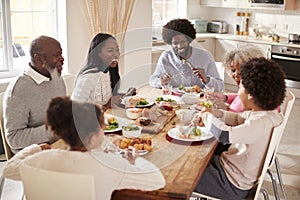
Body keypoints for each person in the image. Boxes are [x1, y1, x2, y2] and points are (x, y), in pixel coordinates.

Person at [3, 96, 166, 200]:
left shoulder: (41, 159)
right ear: (92, 138)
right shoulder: (110, 165)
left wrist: (37, 148)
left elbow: (8, 169)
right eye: (102, 129)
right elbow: (157, 181)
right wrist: (135, 160)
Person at [193, 57, 286, 199]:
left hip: (229, 184)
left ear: (250, 95)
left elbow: (224, 134)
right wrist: (215, 113)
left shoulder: (260, 123)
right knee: (197, 158)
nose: (238, 92)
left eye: (241, 87)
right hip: (229, 173)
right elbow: (238, 119)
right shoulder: (268, 115)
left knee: (182, 176)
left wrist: (207, 117)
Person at [3, 35, 66, 154]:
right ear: (39, 59)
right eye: (56, 55)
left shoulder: (56, 76)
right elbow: (13, 138)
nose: (62, 59)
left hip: (59, 145)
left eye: (61, 54)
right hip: (34, 156)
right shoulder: (17, 92)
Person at [149, 18, 223, 92]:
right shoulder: (166, 57)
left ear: (188, 40)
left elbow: (220, 86)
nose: (179, 46)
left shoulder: (205, 56)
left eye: (183, 41)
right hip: (173, 100)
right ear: (170, 43)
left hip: (199, 100)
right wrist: (161, 81)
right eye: (175, 43)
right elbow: (152, 80)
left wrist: (206, 79)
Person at [71, 33, 122, 108]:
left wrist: (127, 95)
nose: (116, 54)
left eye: (117, 50)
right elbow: (74, 110)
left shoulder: (110, 70)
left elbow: (108, 99)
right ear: (99, 53)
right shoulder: (87, 78)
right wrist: (106, 105)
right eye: (110, 50)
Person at [211, 44, 264, 112]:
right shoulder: (249, 90)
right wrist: (225, 98)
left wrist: (225, 109)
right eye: (233, 70)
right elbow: (240, 98)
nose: (236, 74)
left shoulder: (261, 95)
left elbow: (241, 119)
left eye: (241, 70)